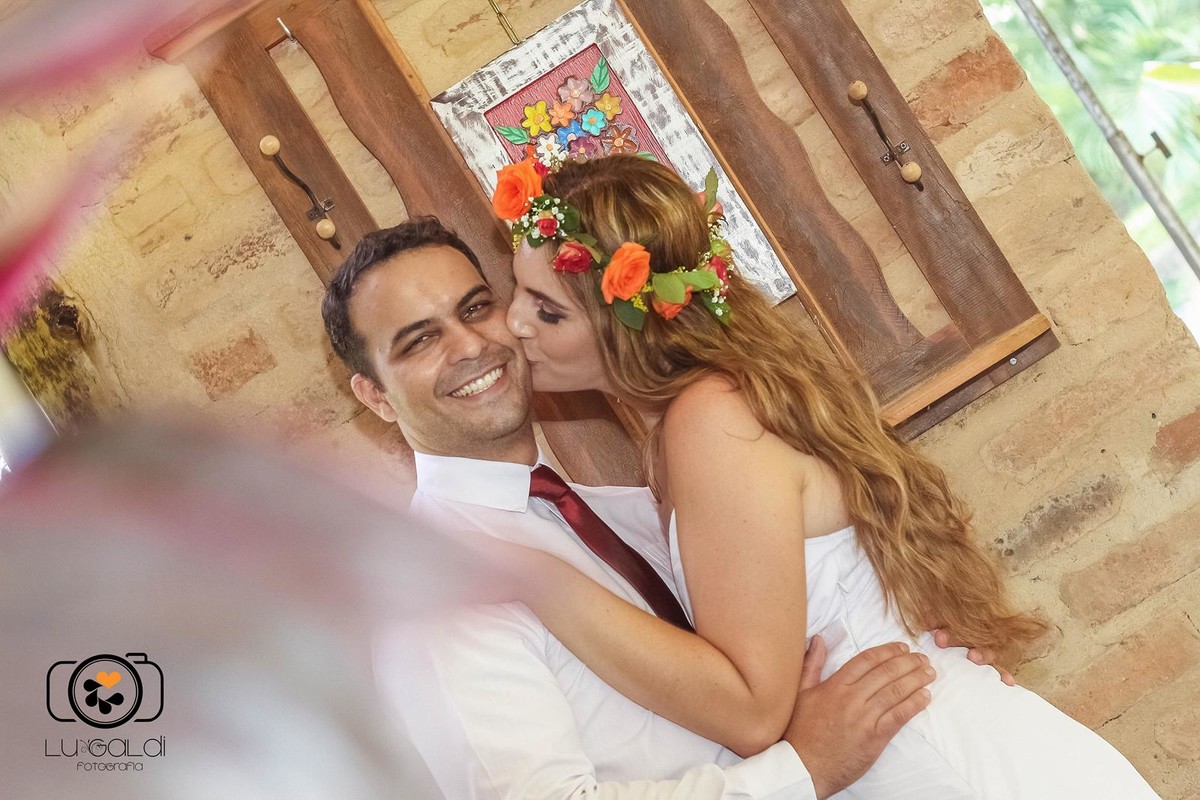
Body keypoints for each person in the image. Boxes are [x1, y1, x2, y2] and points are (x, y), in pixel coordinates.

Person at [491, 154, 1160, 799]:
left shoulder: (711, 419)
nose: (514, 323)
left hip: (945, 766)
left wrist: (538, 580)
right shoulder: (697, 419)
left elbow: (752, 711)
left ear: (629, 323)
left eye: (549, 311)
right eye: (517, 291)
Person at [321, 218, 943, 799]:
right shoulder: (438, 596)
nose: (469, 346)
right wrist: (799, 771)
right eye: (419, 340)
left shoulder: (630, 515)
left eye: (476, 308)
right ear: (374, 396)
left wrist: (918, 643)